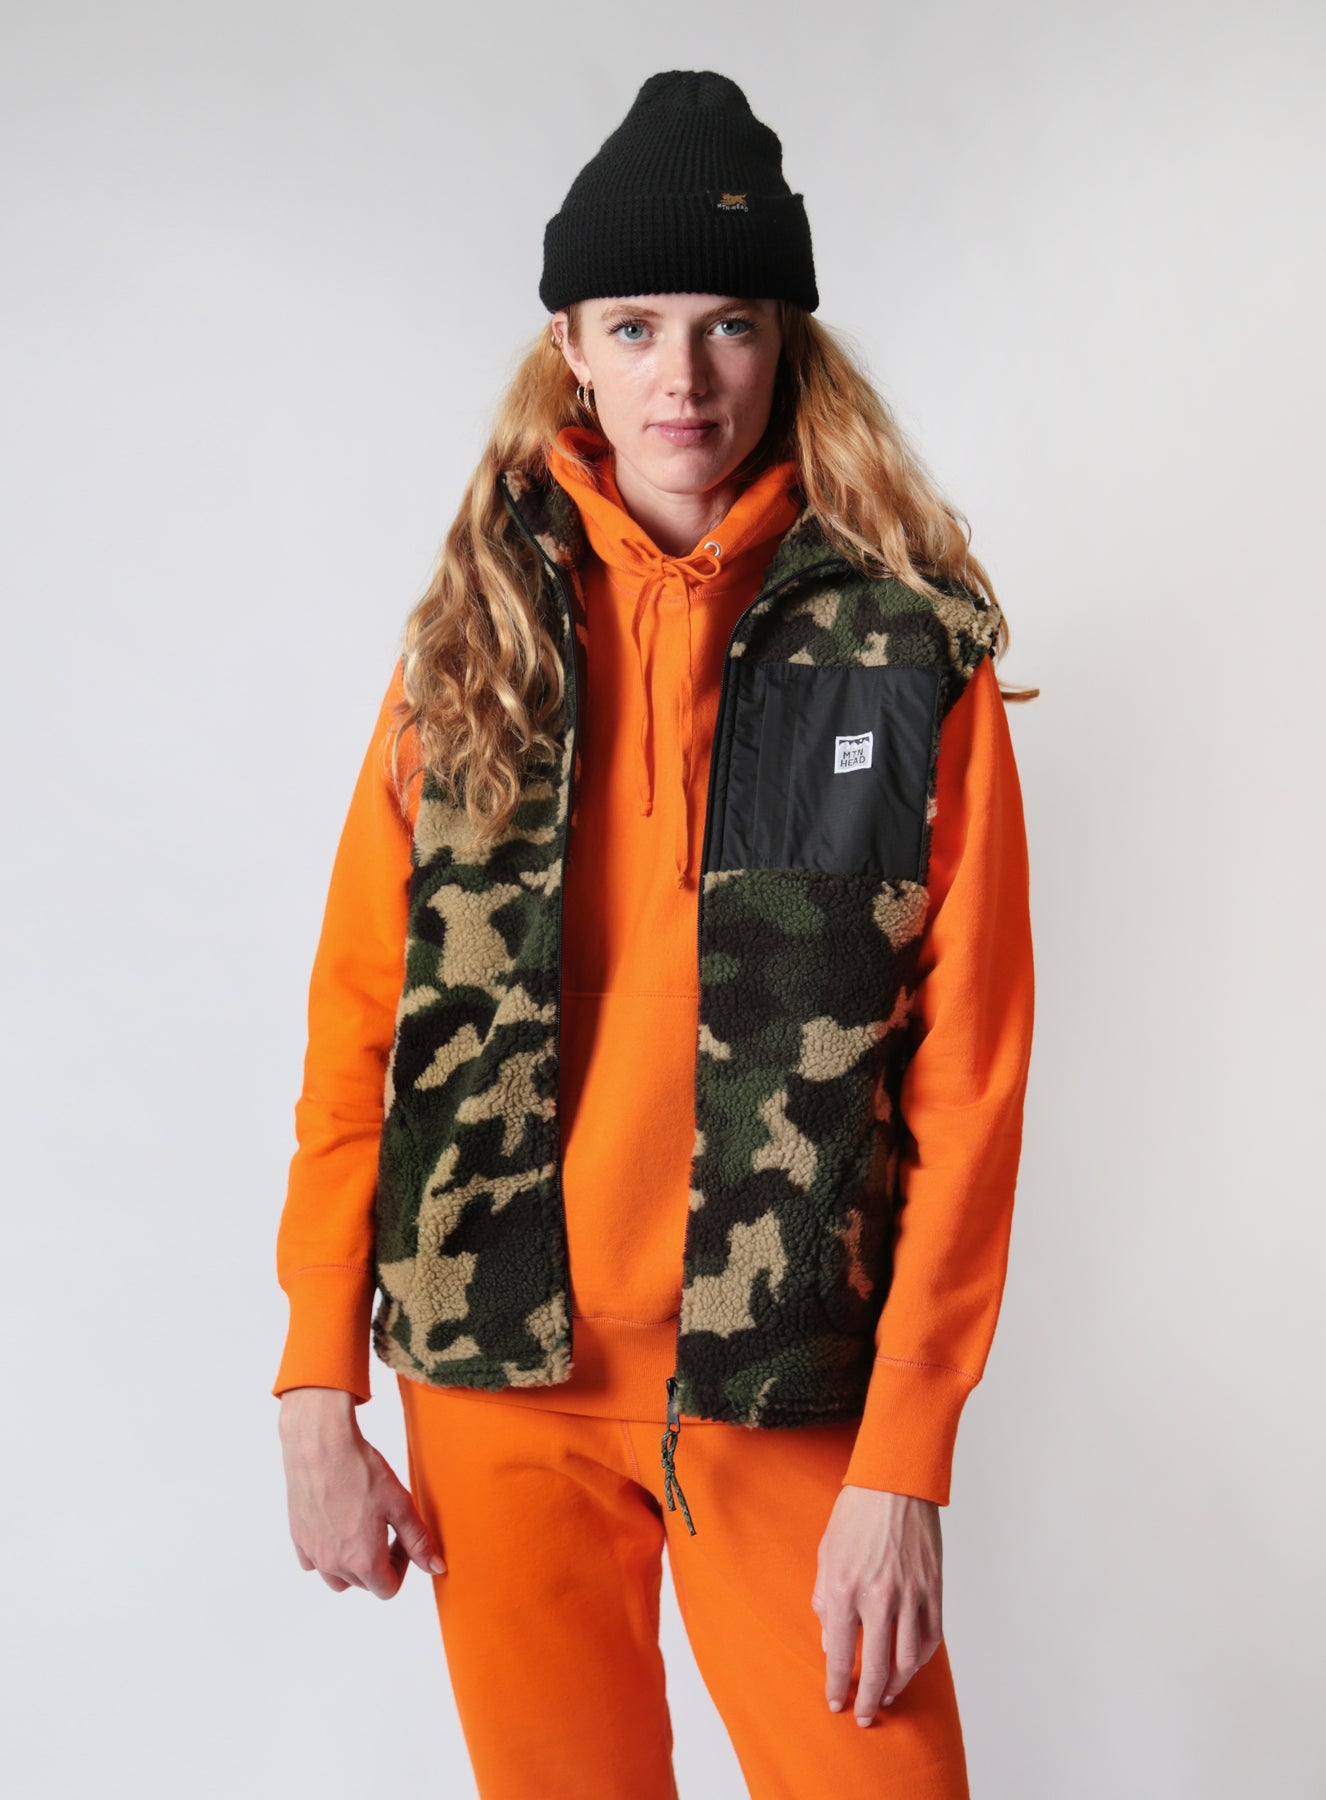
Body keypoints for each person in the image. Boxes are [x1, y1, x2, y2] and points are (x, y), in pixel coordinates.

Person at [273, 68, 1037, 1800]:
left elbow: (969, 1079)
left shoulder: (909, 658)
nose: (680, 377)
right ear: (570, 348)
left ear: (786, 347)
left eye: (727, 325)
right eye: (634, 327)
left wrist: (904, 1456)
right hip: (494, 1380)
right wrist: (316, 1377)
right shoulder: (470, 650)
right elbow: (358, 1023)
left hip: (787, 1386)